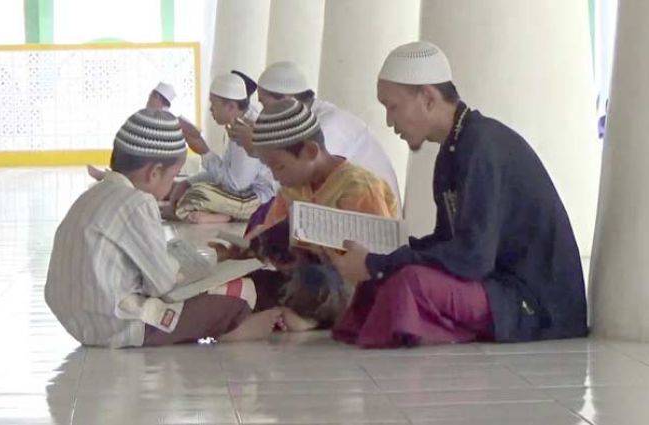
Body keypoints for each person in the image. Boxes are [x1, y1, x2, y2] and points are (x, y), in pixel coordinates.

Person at [324, 41, 588, 348]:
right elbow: (449, 243)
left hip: (535, 304)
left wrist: (378, 263)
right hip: (495, 285)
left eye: (392, 107)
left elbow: (473, 259)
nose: (388, 121)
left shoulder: (481, 146)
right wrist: (380, 255)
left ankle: (424, 328)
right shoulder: (453, 150)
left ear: (428, 97)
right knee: (386, 276)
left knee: (408, 281)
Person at [45, 108, 287, 348]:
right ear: (154, 172)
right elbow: (162, 284)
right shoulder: (138, 203)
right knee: (241, 293)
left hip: (81, 321)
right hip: (119, 324)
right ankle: (235, 331)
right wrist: (191, 270)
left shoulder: (93, 195)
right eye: (172, 177)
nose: (172, 186)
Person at [242, 98, 399, 330]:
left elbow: (377, 259)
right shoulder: (292, 189)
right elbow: (272, 233)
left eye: (279, 167)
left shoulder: (359, 186)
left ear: (310, 151)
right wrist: (250, 248)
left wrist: (318, 249)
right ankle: (296, 310)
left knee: (318, 280)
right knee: (253, 281)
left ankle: (306, 316)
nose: (275, 176)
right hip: (298, 274)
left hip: (346, 283)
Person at [229, 61, 400, 205]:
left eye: (264, 104)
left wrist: (256, 148)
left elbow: (294, 180)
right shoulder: (305, 120)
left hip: (369, 219)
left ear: (287, 100)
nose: (263, 113)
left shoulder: (329, 124)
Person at [164, 71, 276, 224]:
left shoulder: (245, 129)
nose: (211, 110)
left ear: (230, 107)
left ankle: (228, 216)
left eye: (213, 104)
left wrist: (205, 152)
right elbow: (227, 171)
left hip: (257, 200)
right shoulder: (237, 122)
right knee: (185, 185)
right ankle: (225, 215)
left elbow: (236, 185)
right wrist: (188, 182)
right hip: (242, 193)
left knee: (196, 195)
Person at [87, 82, 177, 181]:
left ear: (157, 98)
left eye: (150, 96)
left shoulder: (163, 118)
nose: (148, 100)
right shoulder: (152, 115)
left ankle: (109, 177)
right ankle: (111, 176)